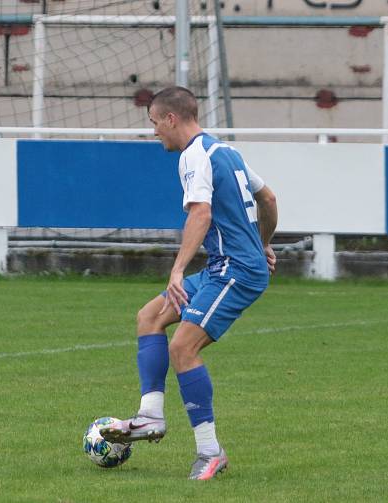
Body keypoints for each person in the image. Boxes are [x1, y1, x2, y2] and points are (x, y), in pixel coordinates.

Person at [100, 87, 278, 480]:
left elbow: (200, 213)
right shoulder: (225, 152)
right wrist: (263, 243)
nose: (154, 133)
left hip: (236, 272)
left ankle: (210, 452)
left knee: (183, 347)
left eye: (153, 124)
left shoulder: (194, 156)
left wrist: (178, 269)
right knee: (149, 317)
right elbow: (268, 199)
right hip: (224, 265)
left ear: (171, 119)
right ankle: (150, 417)